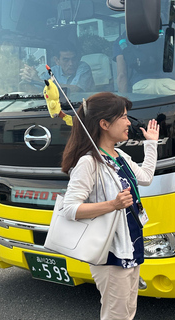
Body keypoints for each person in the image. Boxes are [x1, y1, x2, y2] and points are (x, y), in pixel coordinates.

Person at [61, 92, 159, 320]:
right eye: (123, 117)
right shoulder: (88, 161)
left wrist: (151, 145)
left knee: (128, 311)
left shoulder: (119, 155)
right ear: (104, 124)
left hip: (131, 242)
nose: (128, 122)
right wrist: (112, 204)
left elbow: (145, 177)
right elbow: (69, 209)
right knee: (116, 315)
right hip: (111, 252)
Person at [21, 42, 94, 92]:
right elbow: (38, 90)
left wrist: (39, 81)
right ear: (57, 60)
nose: (71, 63)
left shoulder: (83, 67)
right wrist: (29, 79)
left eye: (73, 59)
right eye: (66, 60)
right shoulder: (52, 71)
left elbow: (76, 89)